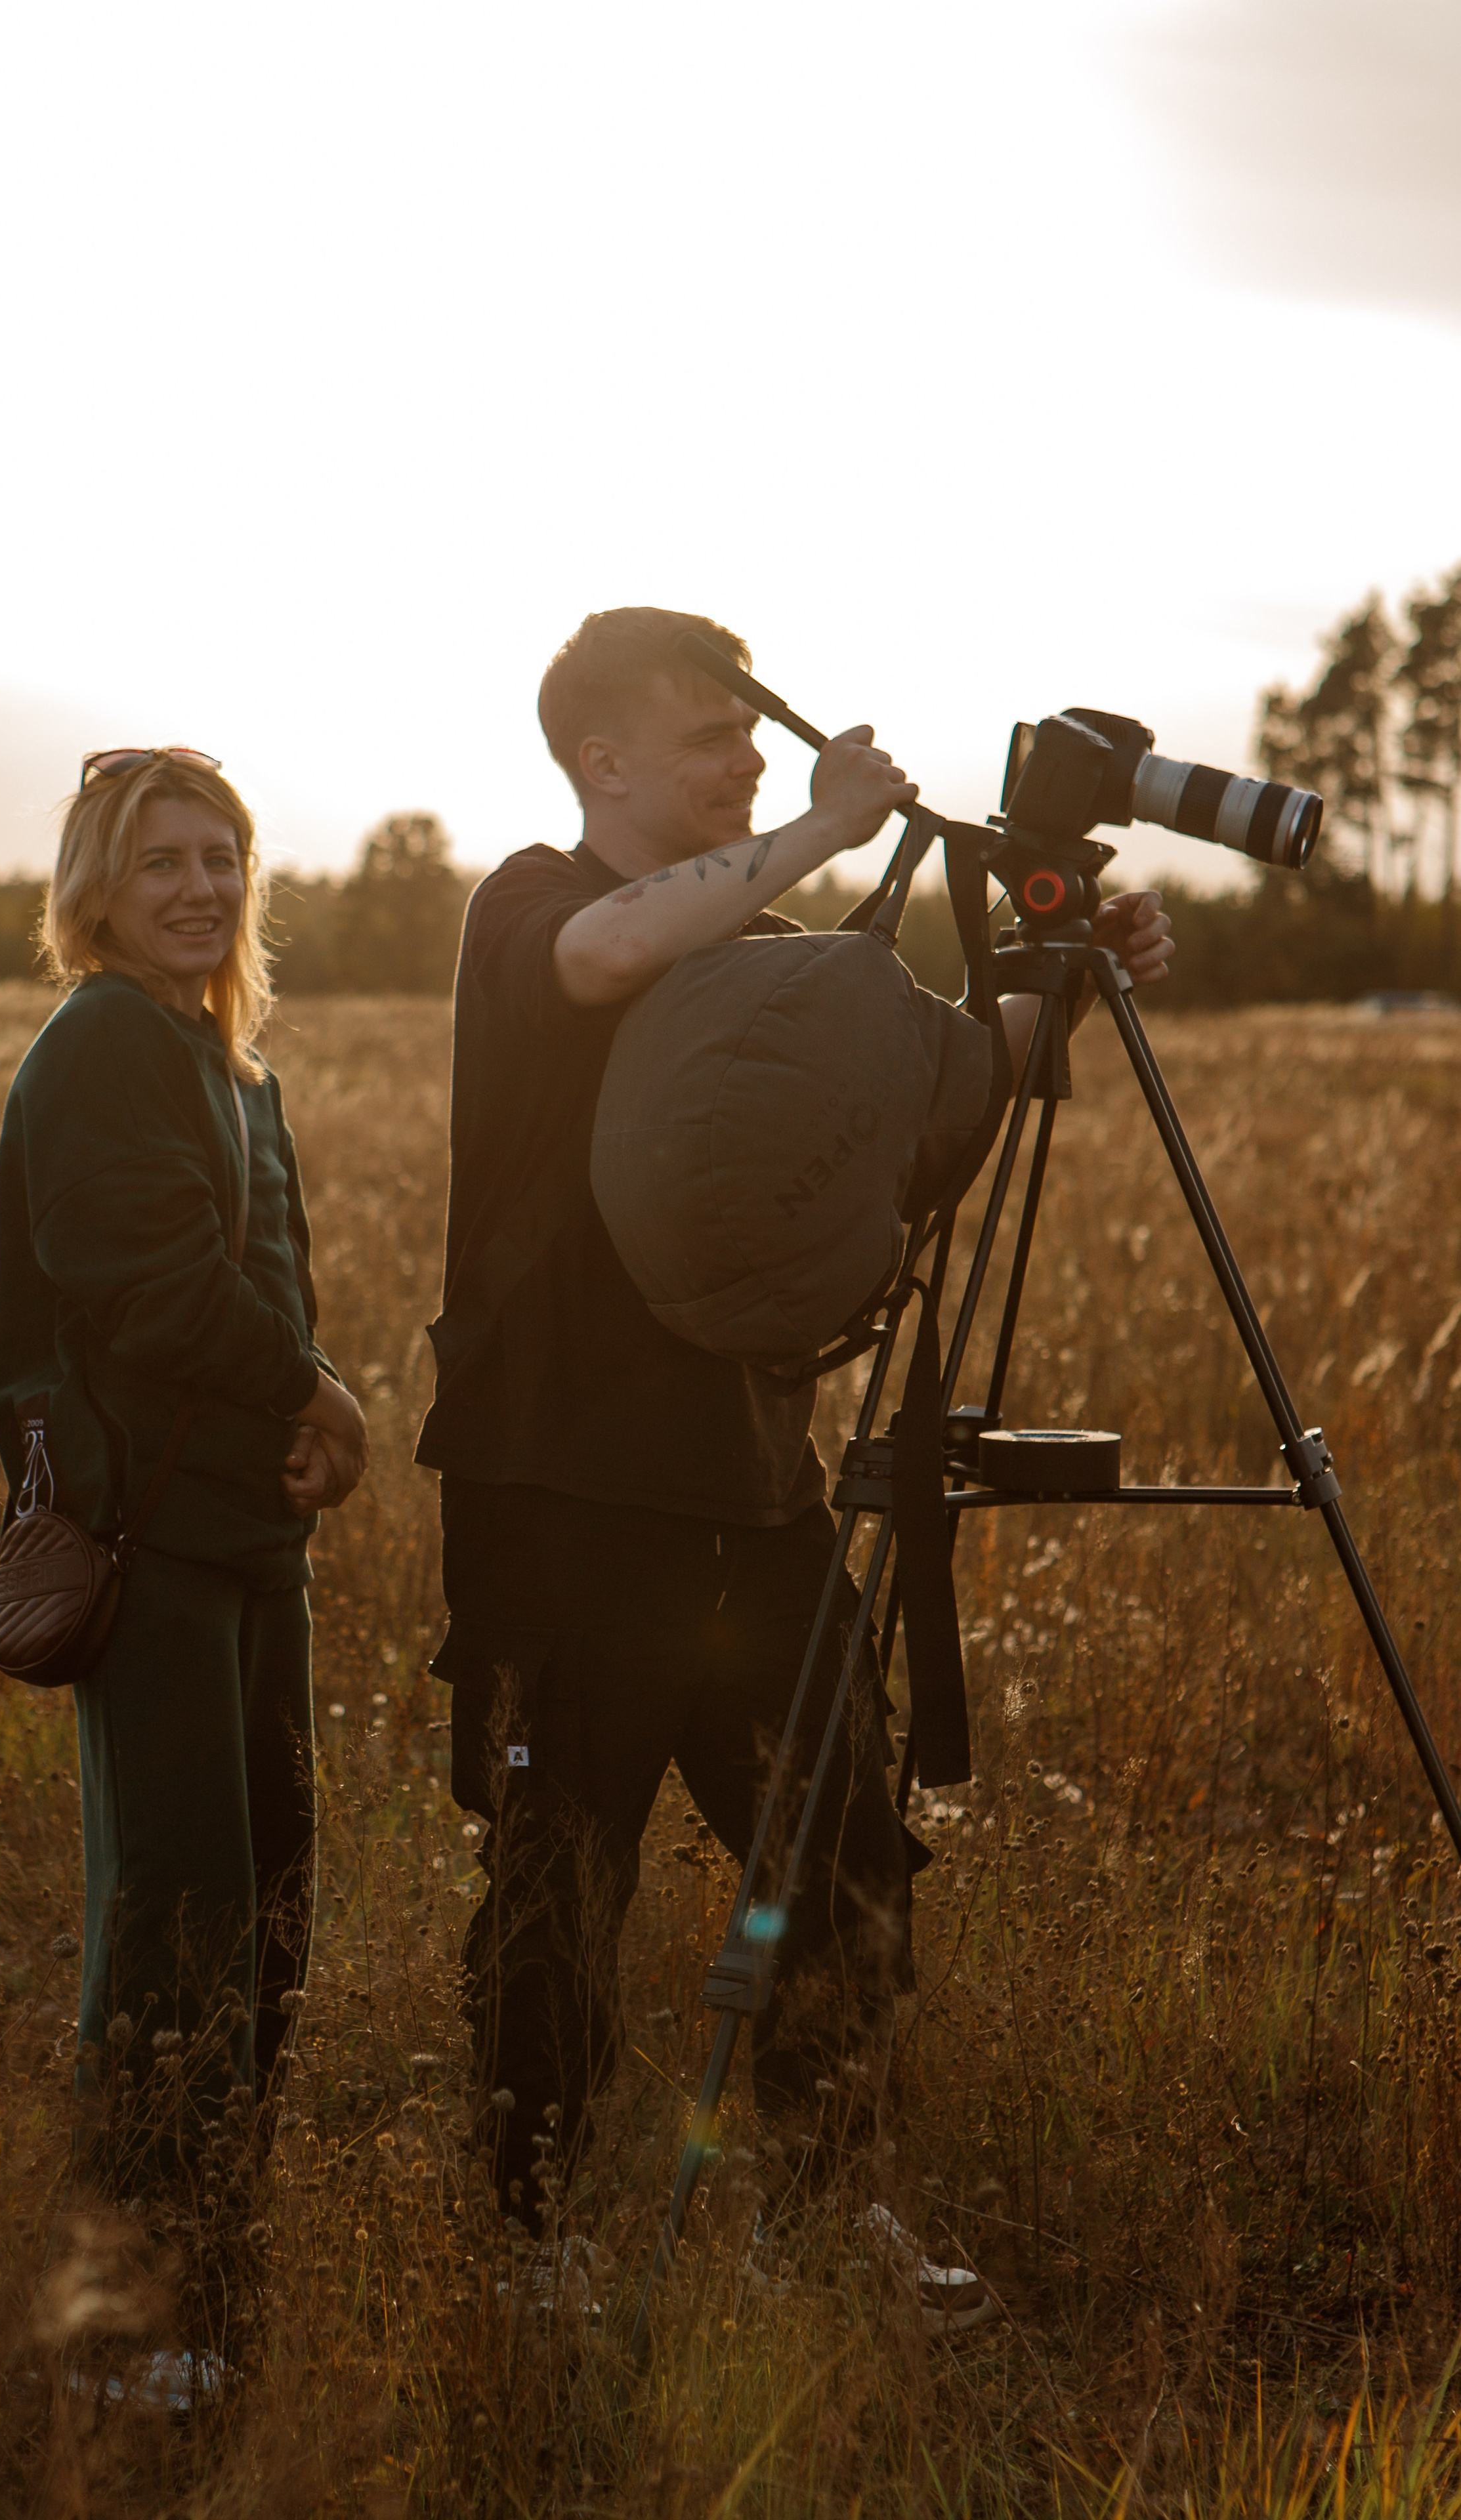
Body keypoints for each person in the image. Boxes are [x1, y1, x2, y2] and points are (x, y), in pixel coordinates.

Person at [415, 608, 1174, 2323]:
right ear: (603, 758)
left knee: (842, 1852)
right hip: (563, 1492)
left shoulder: (757, 953)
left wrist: (1063, 980)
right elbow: (605, 959)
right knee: (562, 1866)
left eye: (758, 747)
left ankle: (833, 2218)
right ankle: (537, 2241)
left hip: (752, 1484)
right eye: (713, 739)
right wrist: (833, 828)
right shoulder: (532, 906)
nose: (753, 762)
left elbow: (932, 1122)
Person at [0, 747, 369, 2207]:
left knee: (267, 1902)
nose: (200, 888)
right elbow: (154, 1286)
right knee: (175, 1912)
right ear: (99, 887)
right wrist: (316, 1392)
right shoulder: (105, 1042)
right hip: (145, 1546)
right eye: (162, 862)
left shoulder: (225, 1063)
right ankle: (135, 2291)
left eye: (221, 858)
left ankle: (215, 2233)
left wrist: (310, 1433)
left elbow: (264, 1278)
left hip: (251, 1545)